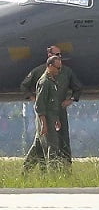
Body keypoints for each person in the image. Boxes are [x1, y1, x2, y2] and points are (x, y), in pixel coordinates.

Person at [20, 45, 82, 173]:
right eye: (57, 55)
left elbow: (77, 87)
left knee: (56, 141)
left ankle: (63, 170)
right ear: (49, 59)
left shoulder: (64, 72)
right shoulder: (42, 77)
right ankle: (50, 173)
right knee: (50, 145)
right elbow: (27, 89)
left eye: (60, 55)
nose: (60, 58)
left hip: (57, 112)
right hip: (46, 114)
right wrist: (35, 101)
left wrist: (70, 100)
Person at [35, 56, 63, 171]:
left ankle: (25, 171)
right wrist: (44, 124)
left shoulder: (52, 81)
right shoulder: (44, 82)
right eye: (57, 68)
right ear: (50, 66)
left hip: (51, 118)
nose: (59, 71)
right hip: (46, 120)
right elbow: (40, 105)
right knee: (52, 147)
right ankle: (53, 173)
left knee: (37, 147)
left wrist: (56, 118)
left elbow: (53, 103)